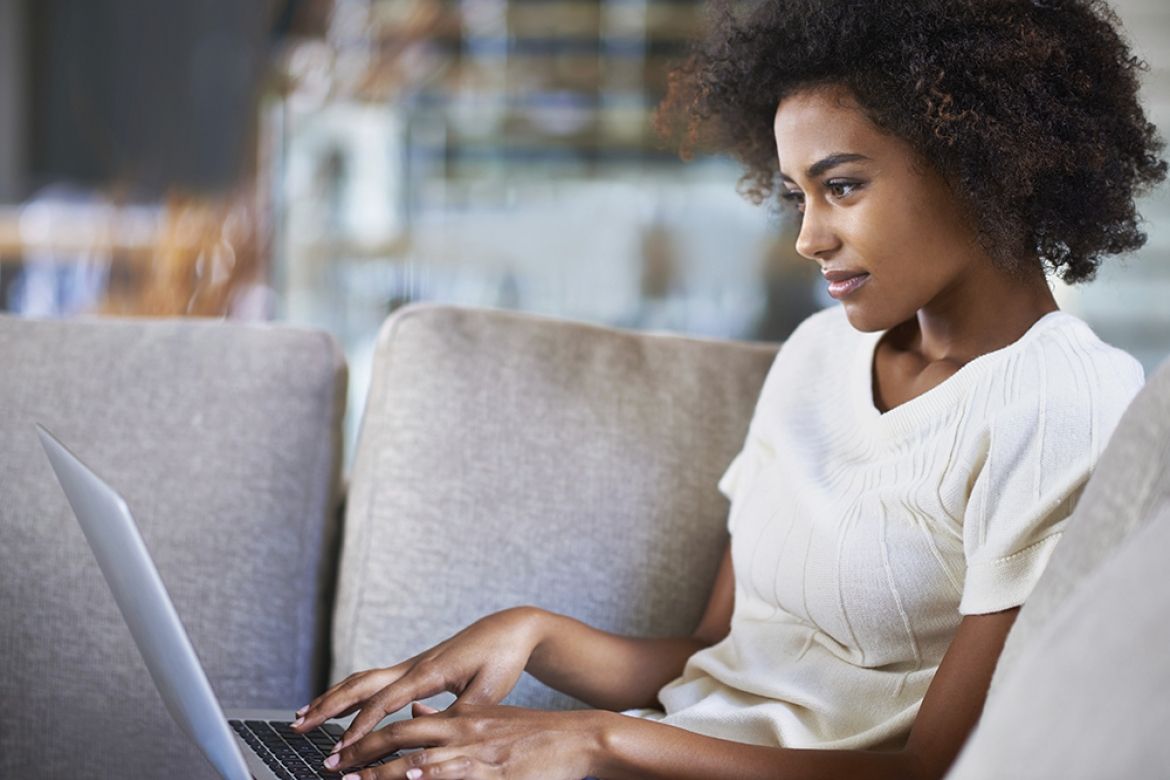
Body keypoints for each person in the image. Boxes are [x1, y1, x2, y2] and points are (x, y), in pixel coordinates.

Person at [293, 0, 1166, 777]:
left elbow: (936, 768)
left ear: (983, 161)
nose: (808, 238)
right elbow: (720, 655)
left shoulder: (1061, 403)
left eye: (843, 186)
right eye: (796, 196)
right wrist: (534, 633)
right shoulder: (819, 353)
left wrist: (599, 740)